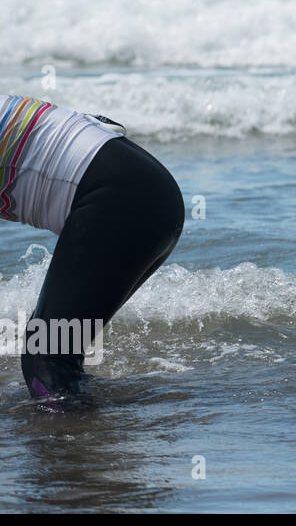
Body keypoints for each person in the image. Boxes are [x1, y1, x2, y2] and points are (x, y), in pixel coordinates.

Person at [0, 95, 184, 404]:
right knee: (52, 350)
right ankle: (89, 415)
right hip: (144, 192)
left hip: (125, 198)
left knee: (46, 354)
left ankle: (73, 432)